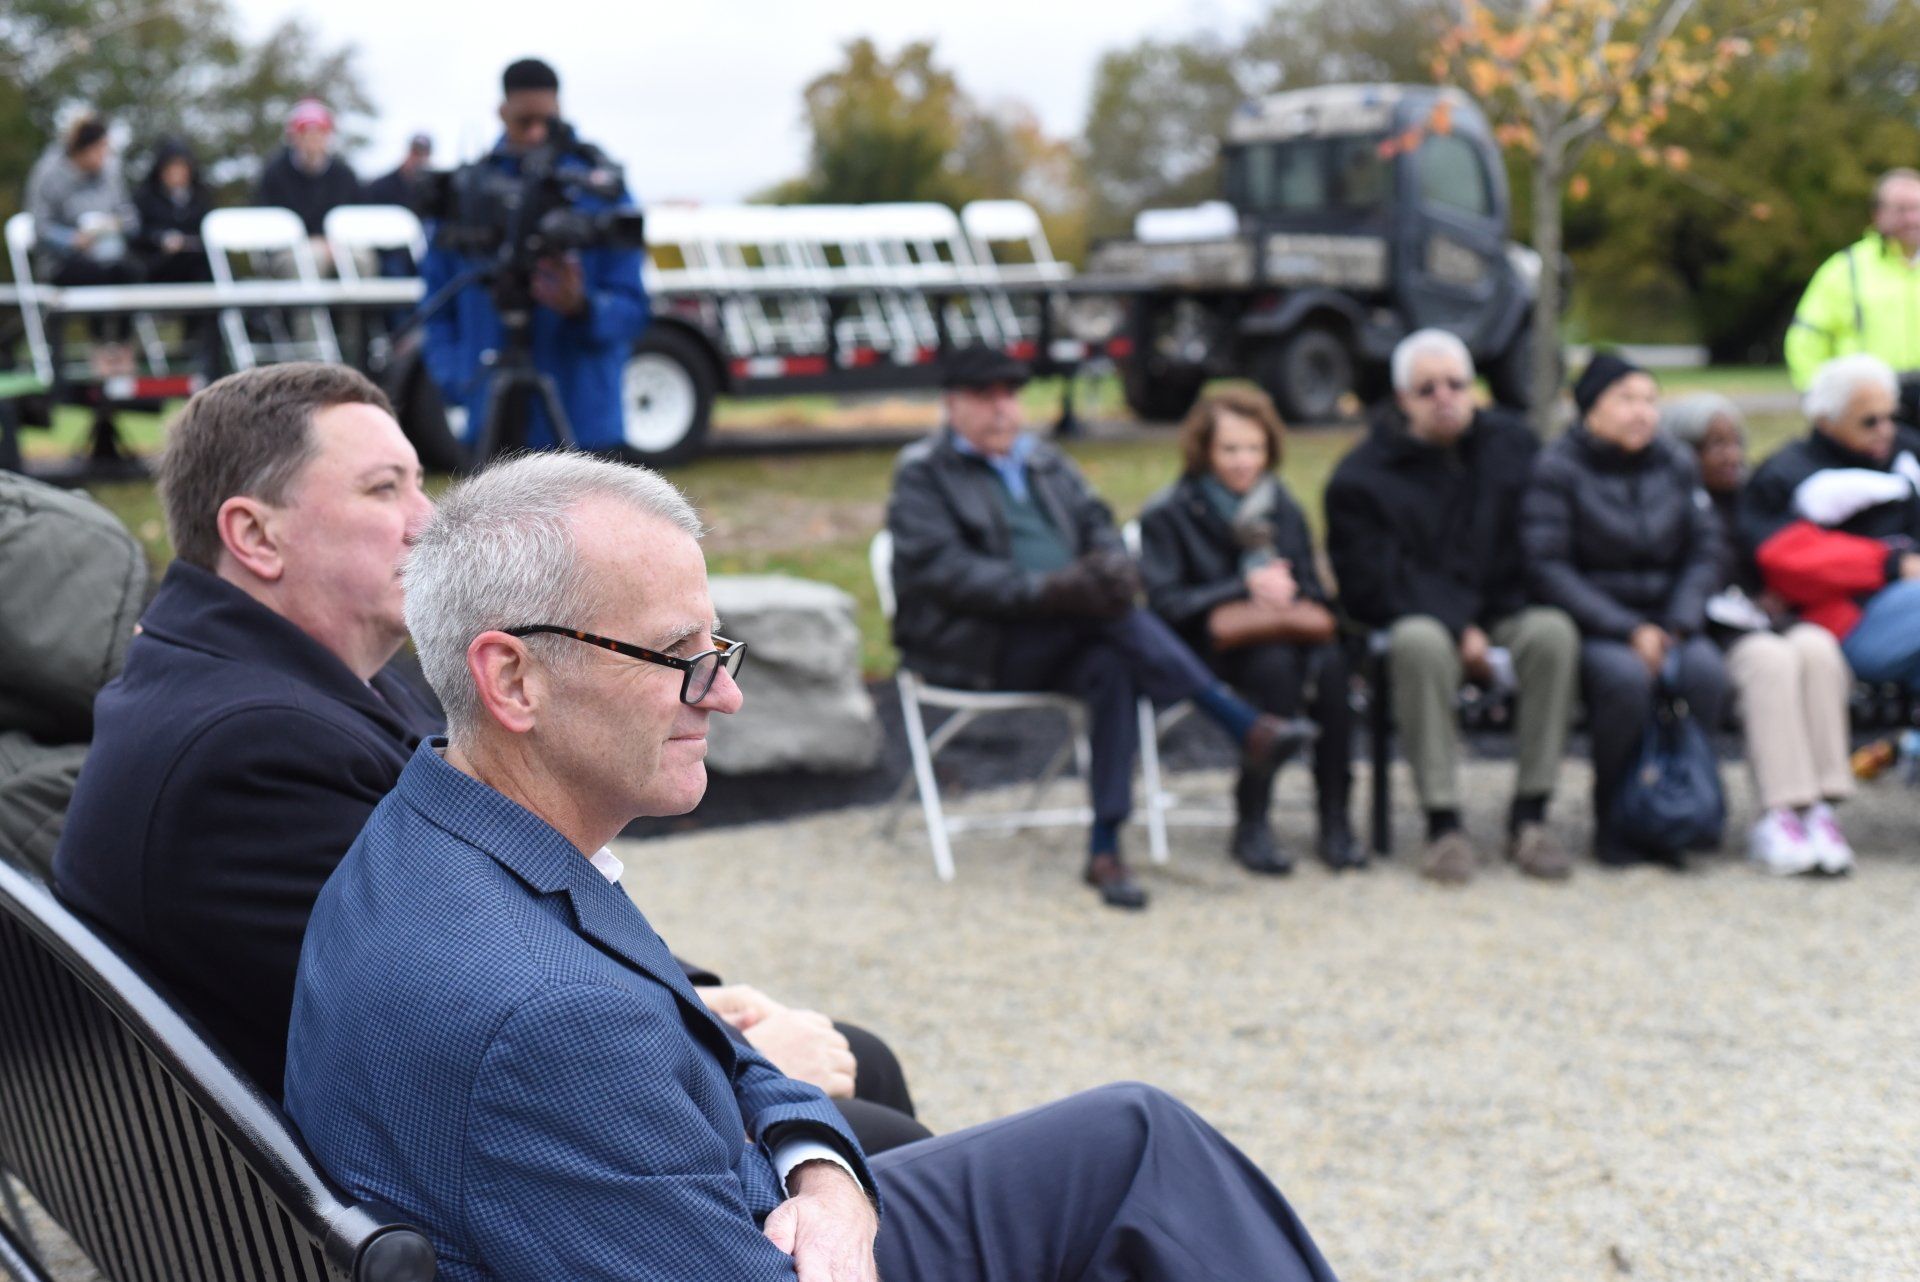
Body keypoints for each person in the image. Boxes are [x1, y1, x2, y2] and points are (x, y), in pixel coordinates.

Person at [284, 449, 1345, 1282]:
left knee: (1133, 1139)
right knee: (1148, 1158)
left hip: (746, 1205)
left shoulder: (441, 830)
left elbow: (705, 1036)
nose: (724, 693)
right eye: (678, 655)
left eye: (720, 648)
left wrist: (825, 1167)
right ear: (512, 678)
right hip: (738, 1235)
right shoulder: (544, 1015)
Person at [51, 365, 926, 1155]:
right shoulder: (251, 751)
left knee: (853, 1067)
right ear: (256, 535)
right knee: (871, 1106)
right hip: (393, 1193)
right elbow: (446, 1024)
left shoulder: (261, 683)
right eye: (382, 488)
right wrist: (736, 1059)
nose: (426, 520)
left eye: (418, 482)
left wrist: (700, 1001)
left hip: (303, 1165)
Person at [887, 345, 1315, 906]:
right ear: (951, 405)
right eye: (984, 397)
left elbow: (1101, 525)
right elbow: (947, 574)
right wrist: (1052, 590)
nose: (1002, 410)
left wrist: (1110, 570)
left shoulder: (1045, 460)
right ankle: (1240, 725)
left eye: (1010, 395)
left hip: (1071, 631)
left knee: (1113, 658)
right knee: (1114, 625)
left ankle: (1105, 846)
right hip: (975, 644)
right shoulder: (923, 475)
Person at [1324, 329, 1580, 884]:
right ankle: (1443, 824)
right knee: (1418, 644)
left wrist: (1487, 624)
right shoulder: (1361, 477)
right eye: (1426, 388)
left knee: (1553, 633)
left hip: (1503, 606)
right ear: (1401, 400)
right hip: (1417, 616)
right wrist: (1458, 625)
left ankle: (1530, 815)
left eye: (1456, 384)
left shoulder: (1513, 448)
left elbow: (1536, 546)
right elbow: (1371, 582)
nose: (1444, 397)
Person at [1138, 387, 1360, 873]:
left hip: (1285, 631)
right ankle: (1253, 819)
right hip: (1206, 646)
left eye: (1254, 449)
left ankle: (1336, 819)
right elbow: (1167, 604)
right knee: (1274, 669)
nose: (1244, 462)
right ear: (1205, 450)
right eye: (1230, 449)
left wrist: (1285, 589)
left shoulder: (1281, 503)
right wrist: (1240, 586)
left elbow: (1311, 586)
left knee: (1332, 670)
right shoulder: (1171, 511)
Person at [1520, 354, 1729, 867]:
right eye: (1626, 399)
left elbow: (1707, 551)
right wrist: (1628, 628)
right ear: (1590, 408)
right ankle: (1616, 818)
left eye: (1650, 400)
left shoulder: (1675, 463)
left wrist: (1677, 622)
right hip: (1599, 624)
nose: (1642, 413)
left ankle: (1684, 810)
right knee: (1624, 682)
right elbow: (1548, 567)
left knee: (1705, 673)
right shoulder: (1558, 468)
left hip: (1670, 621)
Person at [1662, 393, 1858, 875]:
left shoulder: (1757, 498)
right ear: (1684, 452)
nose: (1730, 456)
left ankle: (1818, 806)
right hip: (1715, 637)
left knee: (1816, 647)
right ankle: (1779, 812)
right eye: (1713, 445)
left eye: (1735, 443)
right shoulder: (1671, 503)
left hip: (1773, 622)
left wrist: (1776, 596)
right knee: (1771, 660)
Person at [419, 58, 649, 452]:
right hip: (492, 418)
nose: (537, 133)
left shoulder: (597, 190)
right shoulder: (468, 193)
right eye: (524, 121)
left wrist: (583, 308)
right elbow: (436, 307)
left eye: (548, 120)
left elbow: (634, 310)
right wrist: (458, 378)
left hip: (583, 422)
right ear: (502, 112)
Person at [1740, 353, 1920, 699]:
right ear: (1826, 422)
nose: (1885, 430)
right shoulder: (1786, 472)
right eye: (1869, 422)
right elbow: (1785, 559)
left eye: (1890, 417)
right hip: (1846, 620)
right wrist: (1894, 564)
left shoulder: (1904, 452)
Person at [23, 115, 145, 372]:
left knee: (132, 271)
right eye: (101, 148)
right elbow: (39, 227)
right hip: (63, 261)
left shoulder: (111, 172)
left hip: (109, 253)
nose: (106, 154)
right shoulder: (48, 174)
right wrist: (72, 240)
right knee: (94, 275)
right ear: (83, 149)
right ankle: (101, 351)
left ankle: (122, 347)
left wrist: (115, 225)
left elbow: (129, 216)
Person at [1785, 169, 1920, 395]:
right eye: (1902, 210)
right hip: (1868, 404)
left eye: (1918, 208)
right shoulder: (1845, 269)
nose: (1913, 218)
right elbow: (1806, 339)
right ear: (1878, 214)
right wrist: (1819, 398)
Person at [253, 98, 362, 272]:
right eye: (306, 134)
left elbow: (356, 217)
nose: (313, 140)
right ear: (294, 136)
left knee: (359, 259)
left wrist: (332, 242)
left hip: (336, 245)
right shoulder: (275, 173)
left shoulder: (344, 174)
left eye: (319, 133)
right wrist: (311, 242)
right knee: (312, 258)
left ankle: (361, 300)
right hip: (288, 249)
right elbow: (265, 218)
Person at [132, 138, 213, 284]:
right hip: (158, 267)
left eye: (181, 167)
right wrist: (161, 239)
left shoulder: (201, 197)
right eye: (171, 167)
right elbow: (137, 233)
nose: (176, 173)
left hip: (197, 267)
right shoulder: (145, 197)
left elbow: (209, 232)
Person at [362, 132, 433, 208]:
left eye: (424, 154)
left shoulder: (431, 190)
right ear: (409, 153)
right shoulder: (381, 187)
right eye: (416, 153)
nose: (419, 159)